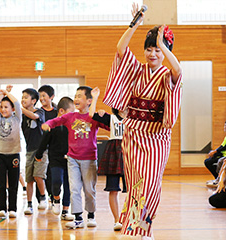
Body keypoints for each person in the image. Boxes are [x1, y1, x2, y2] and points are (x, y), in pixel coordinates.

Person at [102, 4, 183, 239]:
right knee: (136, 184)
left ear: (166, 52)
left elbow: (177, 68)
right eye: (149, 49)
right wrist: (135, 24)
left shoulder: (168, 75)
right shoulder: (137, 70)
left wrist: (163, 44)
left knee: (150, 185)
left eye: (157, 50)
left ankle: (144, 228)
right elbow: (120, 49)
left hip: (156, 138)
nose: (153, 54)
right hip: (133, 135)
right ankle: (139, 231)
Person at [42, 86, 109, 229]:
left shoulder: (94, 117)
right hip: (72, 158)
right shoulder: (70, 116)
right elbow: (55, 121)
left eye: (80, 96)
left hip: (90, 159)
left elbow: (110, 125)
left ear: (89, 101)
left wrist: (103, 113)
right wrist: (47, 124)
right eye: (75, 96)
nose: (76, 99)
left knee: (89, 189)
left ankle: (91, 215)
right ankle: (78, 218)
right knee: (74, 188)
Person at [89, 87, 126, 231]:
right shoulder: (111, 117)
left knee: (133, 190)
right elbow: (92, 114)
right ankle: (117, 220)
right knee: (113, 189)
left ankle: (129, 217)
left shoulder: (134, 119)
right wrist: (95, 97)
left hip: (129, 153)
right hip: (114, 152)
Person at [35, 96, 75, 221]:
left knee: (69, 185)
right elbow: (44, 141)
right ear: (62, 111)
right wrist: (38, 154)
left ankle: (65, 210)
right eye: (71, 112)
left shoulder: (73, 125)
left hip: (70, 159)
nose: (73, 115)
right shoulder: (52, 124)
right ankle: (56, 198)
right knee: (56, 181)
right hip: (55, 159)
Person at [0, 85, 21, 219]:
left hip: (14, 154)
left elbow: (16, 102)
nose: (3, 109)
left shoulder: (16, 118)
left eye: (6, 107)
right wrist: (2, 94)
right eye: (2, 107)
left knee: (13, 183)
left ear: (12, 109)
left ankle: (13, 208)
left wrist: (7, 93)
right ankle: (2, 208)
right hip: (0, 154)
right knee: (1, 183)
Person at [21, 88, 48, 215]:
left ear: (33, 101)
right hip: (29, 150)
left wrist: (18, 107)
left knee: (38, 175)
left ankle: (43, 197)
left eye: (26, 97)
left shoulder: (40, 111)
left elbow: (34, 116)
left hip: (41, 150)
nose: (23, 100)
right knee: (29, 179)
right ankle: (29, 204)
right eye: (22, 97)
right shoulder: (21, 116)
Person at [204, 121, 226, 188]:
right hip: (222, 154)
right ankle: (218, 178)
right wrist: (214, 152)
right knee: (208, 161)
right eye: (224, 126)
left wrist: (215, 151)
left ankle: (220, 179)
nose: (224, 127)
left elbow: (224, 147)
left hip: (224, 156)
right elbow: (222, 146)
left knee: (219, 162)